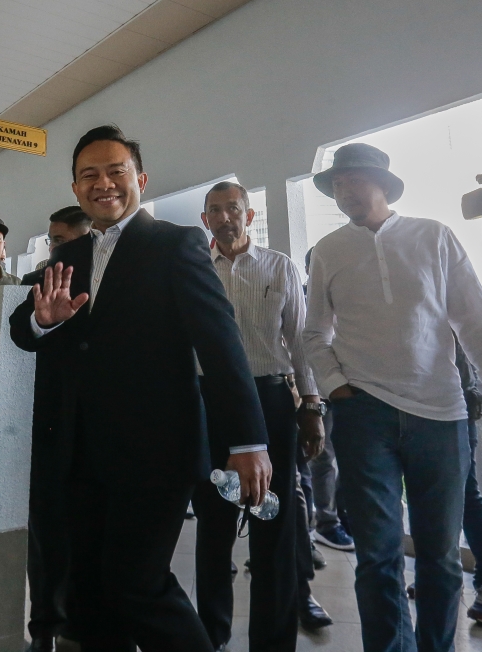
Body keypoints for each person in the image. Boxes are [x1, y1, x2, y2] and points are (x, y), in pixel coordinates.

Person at [9, 125, 271, 652]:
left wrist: (248, 441)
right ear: (77, 188)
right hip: (78, 456)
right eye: (89, 176)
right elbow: (21, 328)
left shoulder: (176, 244)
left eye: (116, 172)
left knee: (139, 583)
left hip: (156, 453)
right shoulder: (68, 256)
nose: (103, 184)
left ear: (140, 180)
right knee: (87, 595)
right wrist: (44, 320)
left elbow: (221, 345)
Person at [303, 142, 482, 652]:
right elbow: (314, 331)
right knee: (378, 555)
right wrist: (339, 388)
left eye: (353, 181)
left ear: (382, 184)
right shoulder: (328, 250)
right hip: (364, 415)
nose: (343, 192)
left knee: (440, 557)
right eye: (336, 185)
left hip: (441, 414)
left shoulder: (434, 237)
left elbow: (476, 322)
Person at [192, 180, 331, 651]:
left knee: (273, 524)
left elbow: (300, 341)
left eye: (234, 208)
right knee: (213, 527)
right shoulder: (192, 269)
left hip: (270, 402)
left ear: (249, 216)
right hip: (209, 403)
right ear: (205, 219)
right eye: (215, 210)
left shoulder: (280, 266)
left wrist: (311, 406)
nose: (225, 217)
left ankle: (272, 642)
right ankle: (210, 636)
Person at [20, 206, 91, 652]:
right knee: (46, 536)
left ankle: (81, 625)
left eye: (65, 242)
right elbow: (19, 334)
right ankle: (43, 627)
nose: (56, 250)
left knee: (90, 537)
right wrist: (41, 321)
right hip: (49, 428)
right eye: (52, 241)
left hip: (101, 431)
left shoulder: (112, 284)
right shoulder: (33, 285)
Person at [407, 340, 482, 626]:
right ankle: (439, 576)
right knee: (432, 497)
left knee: (466, 496)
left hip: (455, 401)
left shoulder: (450, 293)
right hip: (415, 404)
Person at [303, 247, 355, 554]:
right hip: (319, 390)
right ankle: (326, 523)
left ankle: (341, 518)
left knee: (349, 459)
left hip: (351, 388)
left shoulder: (348, 292)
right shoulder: (306, 297)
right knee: (322, 459)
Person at [36, 206, 93, 271]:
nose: (51, 248)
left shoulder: (101, 271)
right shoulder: (44, 268)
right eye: (51, 240)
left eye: (60, 241)